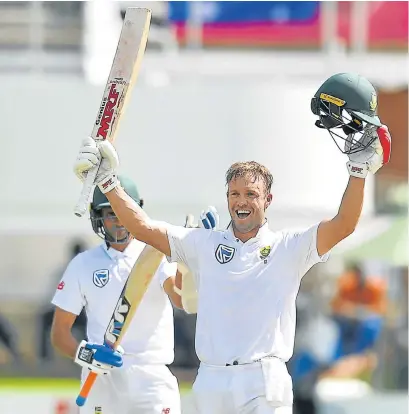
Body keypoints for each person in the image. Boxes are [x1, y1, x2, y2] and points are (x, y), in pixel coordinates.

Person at [72, 73, 392, 413]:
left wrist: (358, 172)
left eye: (251, 194)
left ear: (268, 199)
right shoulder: (202, 243)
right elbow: (142, 227)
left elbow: (343, 225)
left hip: (264, 380)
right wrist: (108, 181)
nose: (242, 201)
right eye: (235, 194)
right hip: (211, 382)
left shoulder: (290, 247)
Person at [51, 175, 218, 414]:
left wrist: (193, 257)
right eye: (110, 214)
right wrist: (86, 354)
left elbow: (181, 300)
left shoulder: (155, 253)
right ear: (98, 217)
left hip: (151, 376)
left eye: (122, 212)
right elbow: (59, 333)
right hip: (102, 376)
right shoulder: (83, 264)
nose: (119, 221)